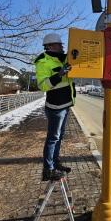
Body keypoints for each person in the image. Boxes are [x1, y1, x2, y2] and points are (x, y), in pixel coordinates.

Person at [34, 32, 76, 181]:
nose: (62, 47)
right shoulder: (43, 62)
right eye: (59, 45)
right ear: (50, 46)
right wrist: (59, 74)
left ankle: (55, 163)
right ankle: (48, 170)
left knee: (59, 136)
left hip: (65, 105)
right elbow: (43, 85)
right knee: (53, 137)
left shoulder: (64, 59)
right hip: (55, 107)